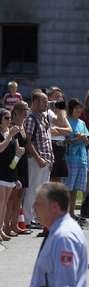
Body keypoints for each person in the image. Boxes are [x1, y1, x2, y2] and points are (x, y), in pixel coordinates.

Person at [29, 182, 87, 287]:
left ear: (54, 207)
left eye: (39, 203)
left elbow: (66, 279)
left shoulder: (64, 237)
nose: (34, 207)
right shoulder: (57, 230)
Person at [24, 91, 54, 229]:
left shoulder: (44, 118)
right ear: (35, 102)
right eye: (43, 101)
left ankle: (36, 218)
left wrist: (50, 158)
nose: (46, 103)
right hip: (37, 161)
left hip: (47, 160)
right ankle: (28, 219)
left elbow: (47, 140)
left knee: (42, 192)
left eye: (46, 101)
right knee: (33, 190)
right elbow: (28, 143)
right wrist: (39, 159)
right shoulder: (31, 119)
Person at [4, 101, 31, 236]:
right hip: (15, 162)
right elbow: (13, 147)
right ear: (18, 111)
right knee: (12, 197)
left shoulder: (22, 126)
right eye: (25, 109)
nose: (27, 112)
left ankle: (15, 224)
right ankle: (7, 225)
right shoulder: (13, 126)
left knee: (19, 196)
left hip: (23, 162)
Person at [0, 109, 24, 241]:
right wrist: (9, 136)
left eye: (10, 118)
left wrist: (19, 154)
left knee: (5, 204)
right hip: (1, 172)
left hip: (10, 171)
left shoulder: (12, 133)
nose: (10, 120)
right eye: (6, 118)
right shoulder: (6, 134)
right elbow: (1, 148)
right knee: (1, 202)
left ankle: (1, 228)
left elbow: (15, 156)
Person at [65, 99, 89, 217]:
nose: (79, 110)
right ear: (71, 109)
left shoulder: (82, 123)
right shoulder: (67, 122)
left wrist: (84, 139)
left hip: (82, 158)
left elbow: (87, 141)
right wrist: (76, 139)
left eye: (80, 108)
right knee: (69, 186)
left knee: (76, 188)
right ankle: (66, 212)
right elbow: (65, 141)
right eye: (76, 108)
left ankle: (72, 212)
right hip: (71, 158)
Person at [47, 87, 72, 182]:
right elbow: (50, 131)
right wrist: (62, 130)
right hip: (51, 145)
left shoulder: (61, 112)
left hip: (61, 148)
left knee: (58, 177)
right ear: (49, 98)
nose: (59, 99)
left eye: (61, 97)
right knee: (50, 176)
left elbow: (69, 130)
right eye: (57, 96)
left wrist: (57, 129)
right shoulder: (47, 111)